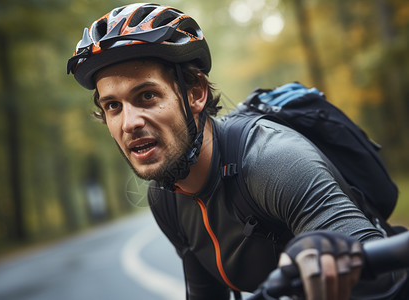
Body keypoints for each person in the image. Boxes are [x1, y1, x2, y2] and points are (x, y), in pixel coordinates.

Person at [67, 3, 407, 299]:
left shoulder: (272, 160)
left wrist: (325, 246)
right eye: (113, 105)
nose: (129, 123)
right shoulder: (165, 197)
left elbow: (384, 278)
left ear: (196, 93)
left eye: (147, 96)